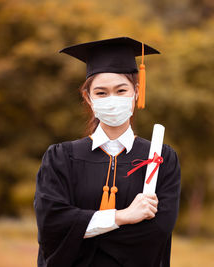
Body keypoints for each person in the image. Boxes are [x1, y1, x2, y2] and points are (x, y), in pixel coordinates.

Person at [34, 37, 181, 267]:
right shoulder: (61, 158)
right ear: (88, 98)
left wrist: (82, 232)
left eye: (121, 90)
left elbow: (155, 236)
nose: (112, 100)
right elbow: (52, 226)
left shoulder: (161, 160)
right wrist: (122, 216)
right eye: (101, 93)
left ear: (136, 92)